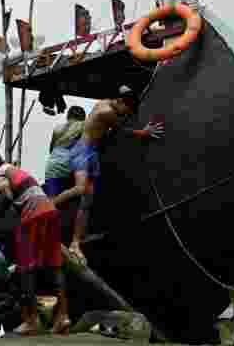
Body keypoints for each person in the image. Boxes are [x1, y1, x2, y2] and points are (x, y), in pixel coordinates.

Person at [0, 159, 70, 336]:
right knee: (55, 265)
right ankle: (63, 316)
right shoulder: (14, 169)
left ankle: (32, 321)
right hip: (49, 210)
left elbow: (7, 195)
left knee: (26, 269)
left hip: (33, 214)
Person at [68, 85, 163, 263]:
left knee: (88, 199)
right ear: (120, 102)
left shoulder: (105, 103)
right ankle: (72, 237)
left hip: (89, 151)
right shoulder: (107, 112)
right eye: (127, 109)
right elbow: (123, 131)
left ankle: (77, 239)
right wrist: (144, 132)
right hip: (84, 152)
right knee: (83, 194)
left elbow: (112, 122)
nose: (126, 113)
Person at [43, 105, 86, 203]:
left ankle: (52, 203)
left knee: (52, 200)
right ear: (83, 117)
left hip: (52, 166)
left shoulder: (58, 128)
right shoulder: (83, 125)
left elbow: (51, 149)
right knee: (77, 195)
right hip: (70, 165)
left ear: (68, 116)